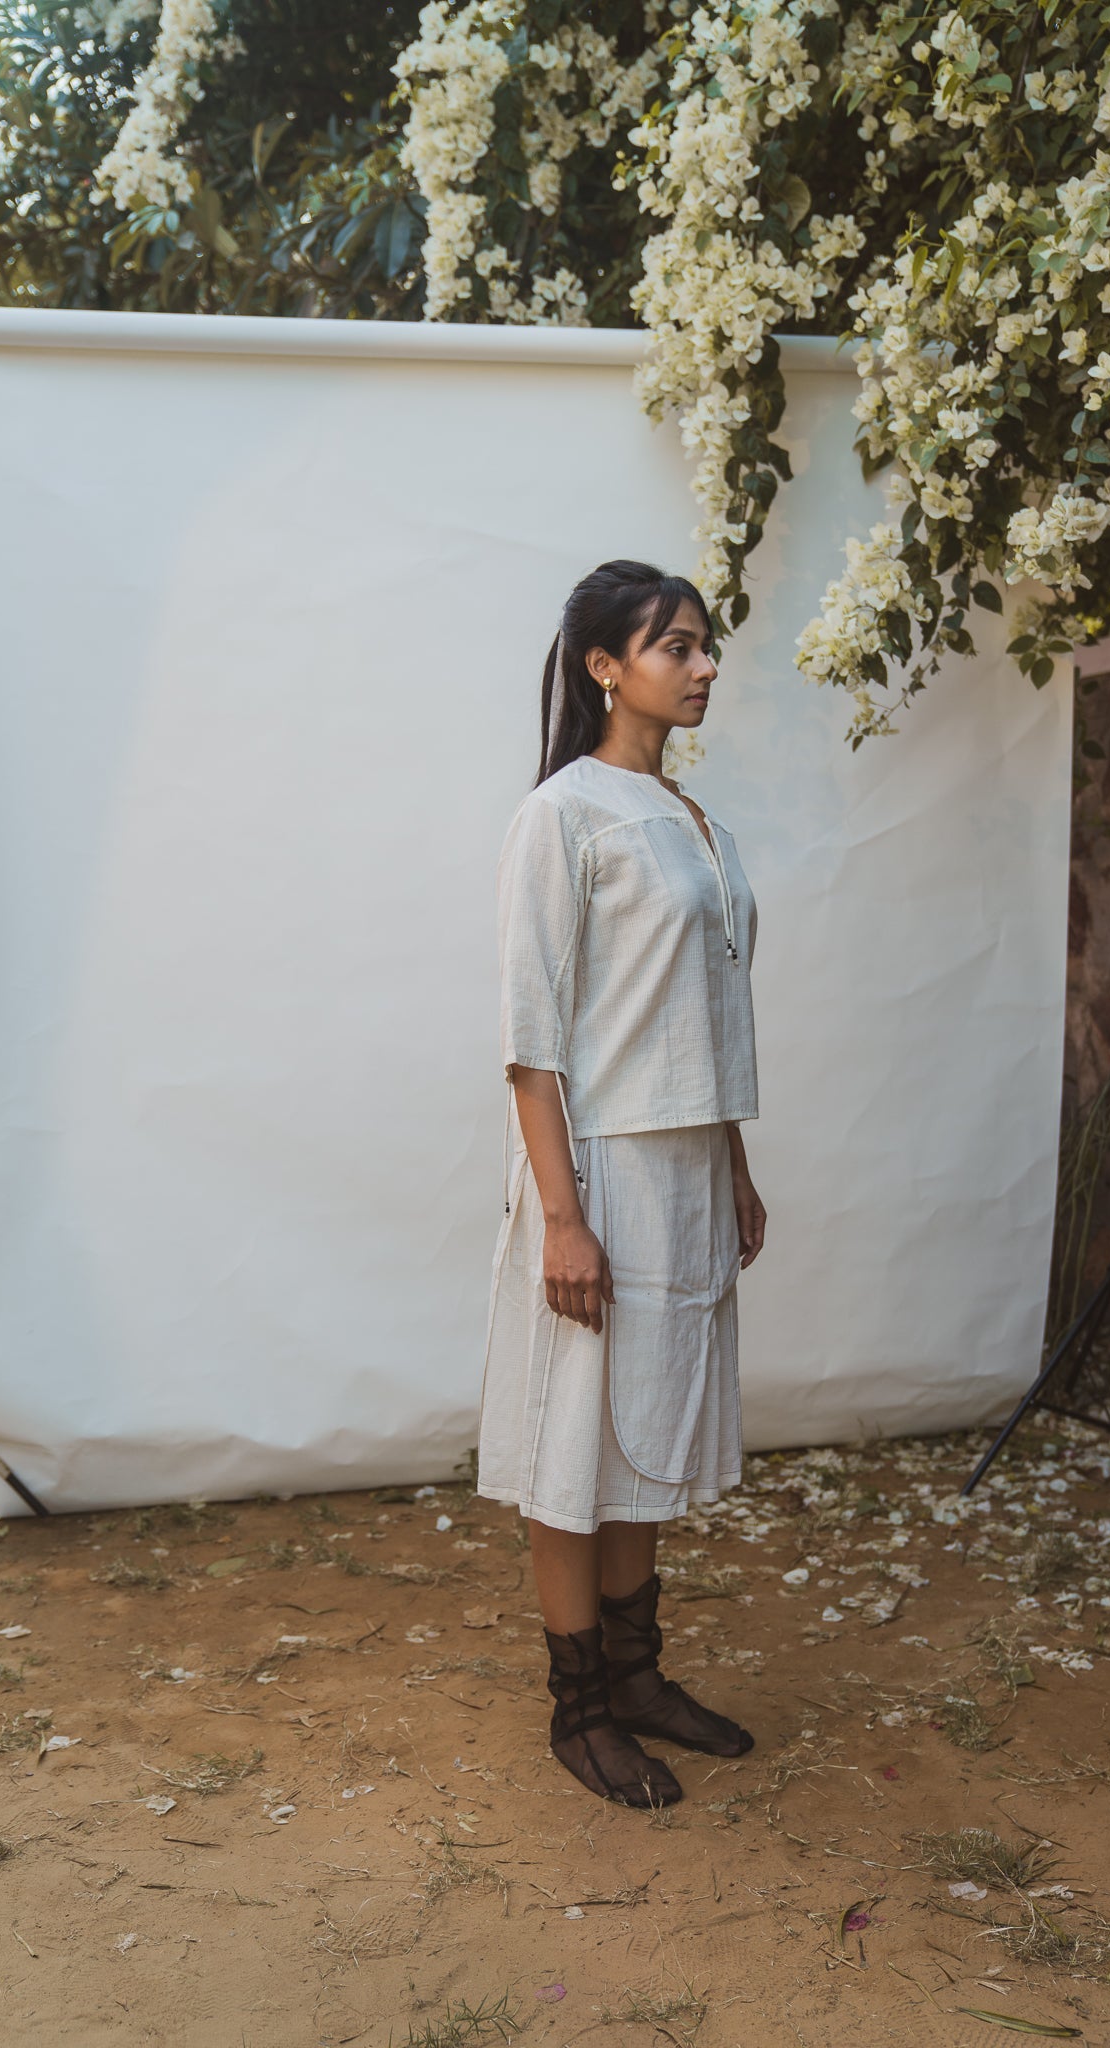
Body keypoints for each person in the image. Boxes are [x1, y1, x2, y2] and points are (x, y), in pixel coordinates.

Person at [477, 558, 768, 1810]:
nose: (703, 665)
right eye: (677, 646)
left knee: (644, 1425)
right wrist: (562, 1217)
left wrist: (735, 1163)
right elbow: (531, 1037)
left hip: (689, 1167)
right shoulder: (565, 814)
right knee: (575, 1434)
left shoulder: (694, 818)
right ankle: (580, 1706)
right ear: (606, 665)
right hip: (602, 1169)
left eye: (706, 645)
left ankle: (639, 1673)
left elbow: (708, 1009)